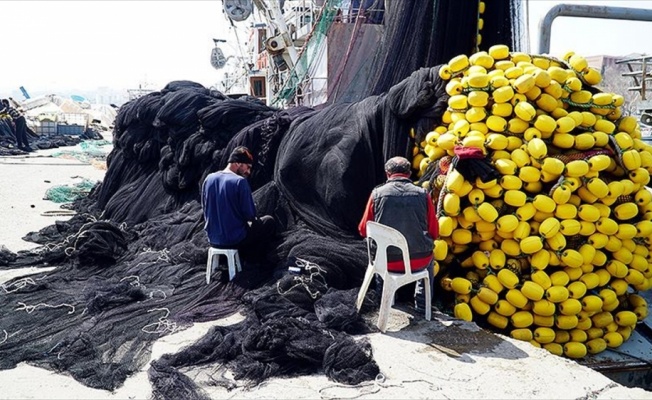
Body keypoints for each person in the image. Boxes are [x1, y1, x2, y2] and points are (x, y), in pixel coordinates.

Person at [358, 156, 438, 310]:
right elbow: (434, 232)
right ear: (408, 174)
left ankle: (384, 302)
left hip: (387, 262)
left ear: (387, 173)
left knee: (379, 254)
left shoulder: (377, 194)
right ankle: (422, 306)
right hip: (418, 261)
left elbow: (363, 229)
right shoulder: (423, 194)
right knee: (430, 256)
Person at [201, 146, 276, 266]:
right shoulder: (239, 182)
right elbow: (250, 215)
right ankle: (251, 261)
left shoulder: (208, 179)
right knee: (268, 222)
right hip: (234, 240)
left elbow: (205, 210)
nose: (248, 172)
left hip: (213, 240)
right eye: (248, 167)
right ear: (237, 163)